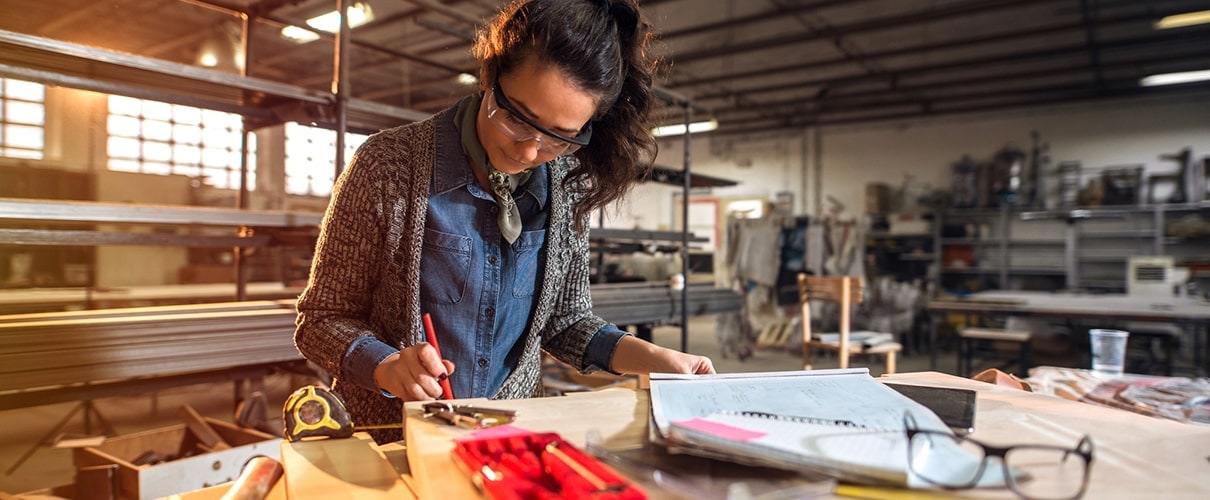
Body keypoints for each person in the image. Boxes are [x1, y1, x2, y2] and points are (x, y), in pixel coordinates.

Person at [294, 0, 715, 444]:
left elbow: (566, 322)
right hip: (391, 440)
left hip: (510, 435)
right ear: (489, 77)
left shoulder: (567, 185)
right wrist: (385, 364)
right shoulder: (388, 166)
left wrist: (653, 358)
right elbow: (321, 319)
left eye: (560, 138)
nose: (529, 152)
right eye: (517, 119)